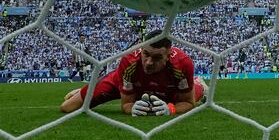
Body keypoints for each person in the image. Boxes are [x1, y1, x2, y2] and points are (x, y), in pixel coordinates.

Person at [60, 30, 207, 115]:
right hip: (124, 84)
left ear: (168, 56)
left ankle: (198, 85)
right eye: (146, 54)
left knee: (190, 95)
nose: (149, 62)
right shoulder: (129, 60)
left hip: (167, 89)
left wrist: (171, 108)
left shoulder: (182, 63)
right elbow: (126, 104)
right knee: (67, 107)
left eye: (156, 58)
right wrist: (131, 108)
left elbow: (188, 103)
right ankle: (89, 88)